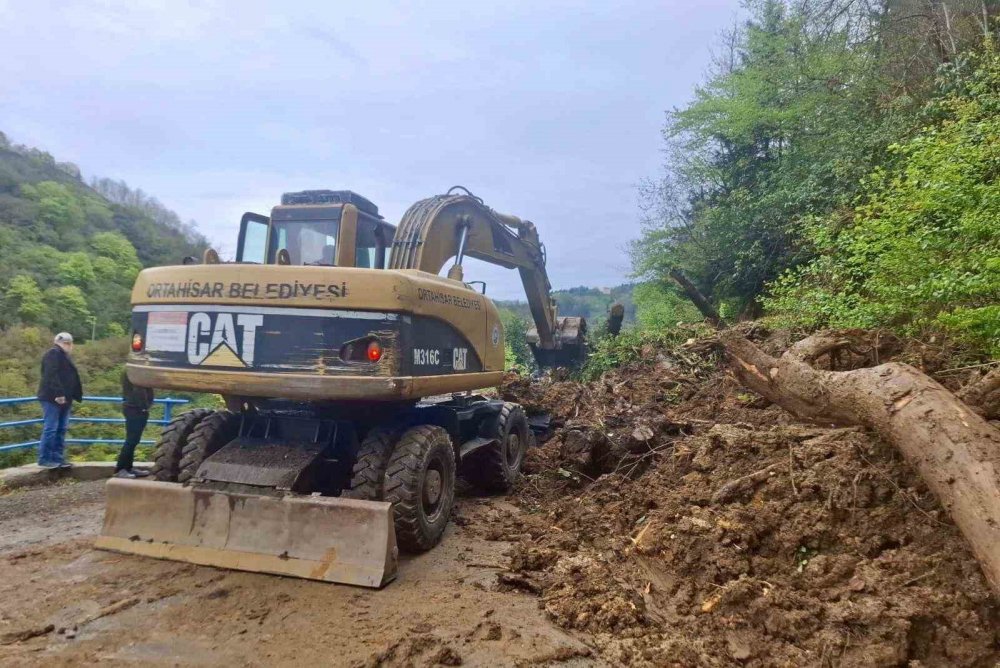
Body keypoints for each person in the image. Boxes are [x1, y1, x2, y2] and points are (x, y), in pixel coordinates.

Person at [36, 332, 83, 468]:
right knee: (51, 428)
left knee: (60, 428)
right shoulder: (54, 354)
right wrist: (59, 393)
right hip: (53, 398)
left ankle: (57, 458)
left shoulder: (62, 355)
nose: (69, 346)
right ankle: (45, 459)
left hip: (64, 399)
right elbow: (50, 375)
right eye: (68, 343)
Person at [116, 371, 153, 478]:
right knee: (131, 440)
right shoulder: (135, 372)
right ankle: (121, 469)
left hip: (134, 407)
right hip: (135, 409)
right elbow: (139, 390)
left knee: (133, 440)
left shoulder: (131, 371)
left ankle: (128, 467)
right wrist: (144, 407)